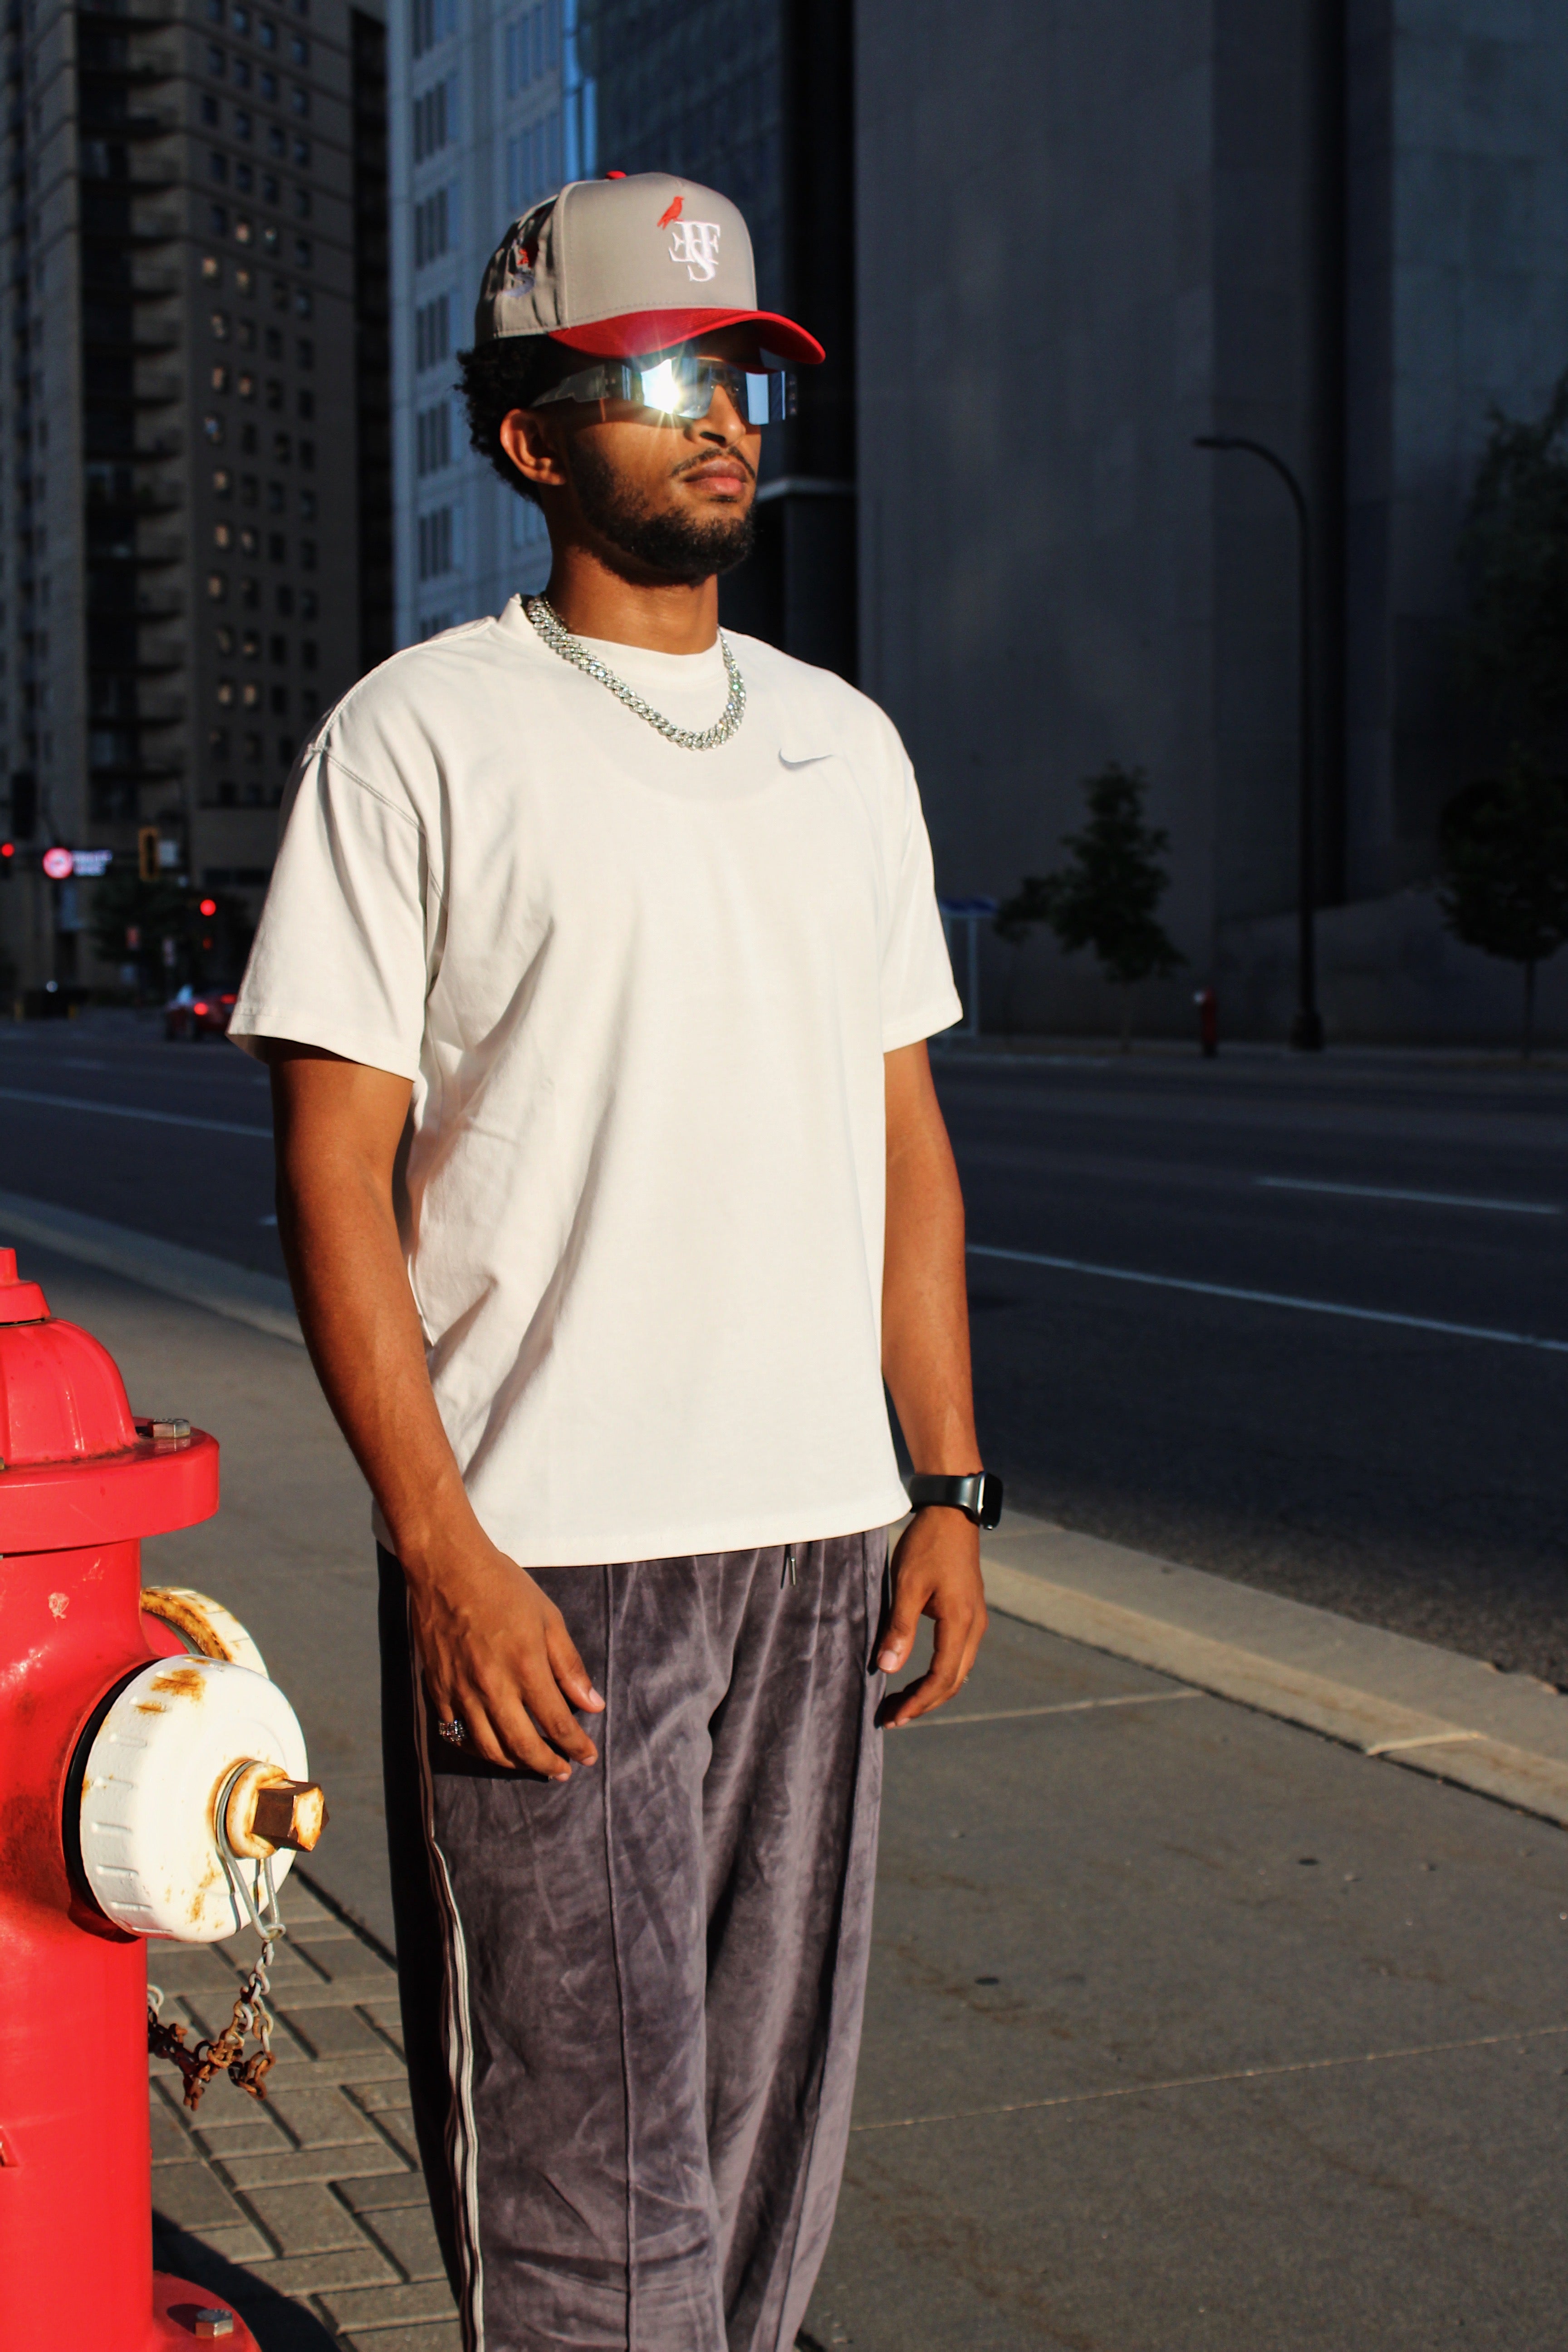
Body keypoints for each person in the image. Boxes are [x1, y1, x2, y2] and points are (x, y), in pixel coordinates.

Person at [229, 170, 1000, 2352]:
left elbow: (906, 1147)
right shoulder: (418, 739)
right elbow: (331, 1176)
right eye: (664, 377)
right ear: (532, 434)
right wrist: (445, 1558)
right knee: (584, 2172)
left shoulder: (848, 748)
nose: (722, 417)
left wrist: (941, 1489)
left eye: (744, 370)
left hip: (818, 1545)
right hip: (550, 1566)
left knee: (768, 2143)